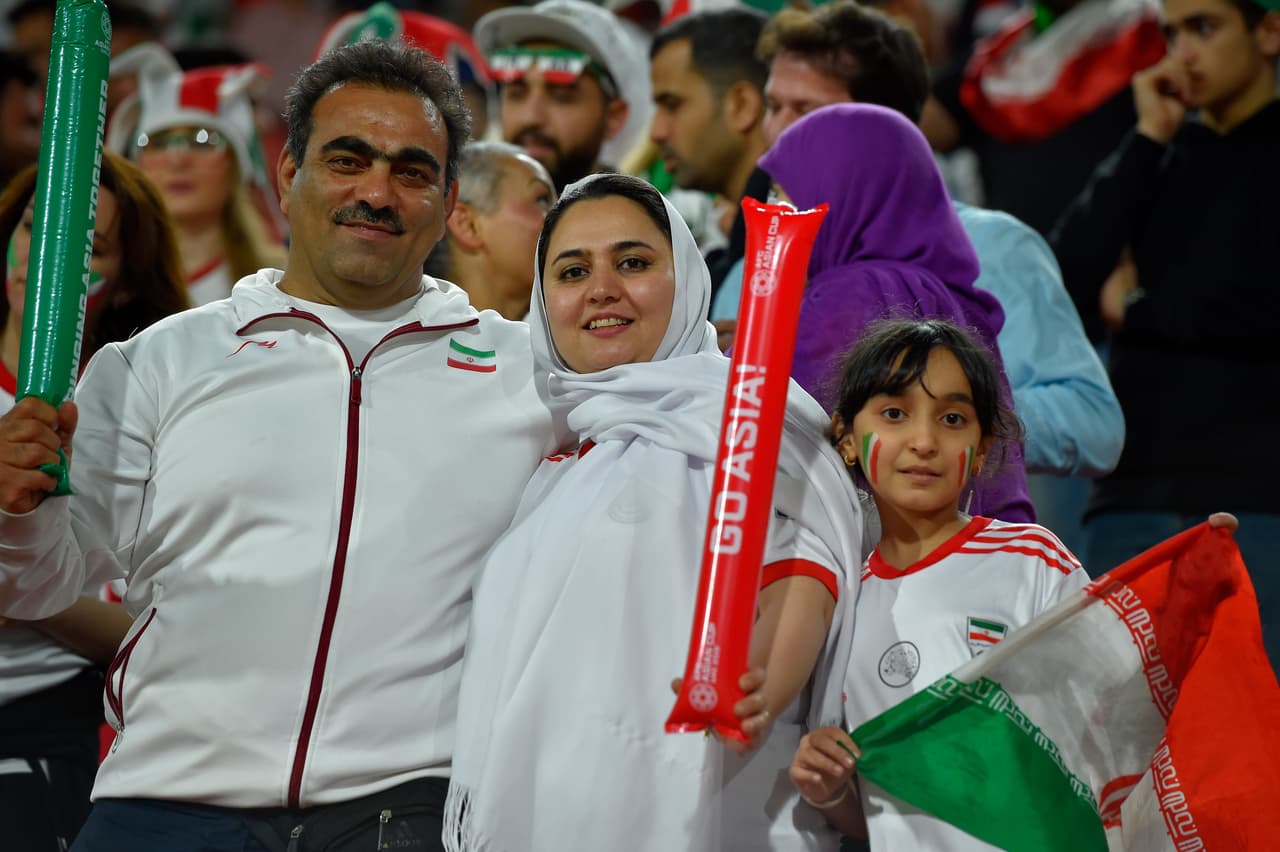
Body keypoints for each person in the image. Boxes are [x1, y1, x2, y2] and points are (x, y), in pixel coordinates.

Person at [0, 39, 557, 851]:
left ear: (446, 201)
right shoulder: (160, 361)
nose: (377, 191)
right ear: (289, 173)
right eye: (348, 159)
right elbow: (44, 578)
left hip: (401, 813)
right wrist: (16, 512)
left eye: (411, 171)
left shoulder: (527, 375)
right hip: (165, 803)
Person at [444, 173, 869, 852]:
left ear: (687, 279)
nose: (602, 288)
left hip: (727, 816)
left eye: (634, 263)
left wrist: (753, 684)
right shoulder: (557, 460)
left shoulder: (751, 419)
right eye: (572, 270)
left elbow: (803, 571)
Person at [790, 318, 1091, 849]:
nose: (925, 441)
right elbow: (880, 818)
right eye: (894, 414)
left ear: (983, 445)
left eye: (953, 418)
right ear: (847, 438)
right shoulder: (840, 602)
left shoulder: (1032, 561)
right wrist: (831, 793)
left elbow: (1105, 730)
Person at [1049, 0, 1280, 667]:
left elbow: (1260, 305)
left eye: (1204, 28)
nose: (1182, 51)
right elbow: (1060, 281)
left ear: (1268, 31)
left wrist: (1141, 309)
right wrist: (1147, 136)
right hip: (1132, 492)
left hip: (1257, 494)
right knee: (1118, 752)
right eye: (1171, 32)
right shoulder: (1157, 151)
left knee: (1249, 749)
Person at [0, 149, 188, 852]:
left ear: (129, 284)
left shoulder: (144, 422)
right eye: (31, 227)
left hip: (52, 747)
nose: (42, 258)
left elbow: (156, 629)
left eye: (87, 248)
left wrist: (17, 581)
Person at [758, 103, 1033, 522]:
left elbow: (768, 434)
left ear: (839, 189)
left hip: (881, 569)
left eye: (782, 193)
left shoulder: (849, 292)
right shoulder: (955, 297)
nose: (775, 211)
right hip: (983, 560)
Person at [107, 54, 287, 305]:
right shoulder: (110, 285)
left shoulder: (283, 283)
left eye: (202, 140)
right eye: (158, 142)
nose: (178, 159)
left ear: (237, 165)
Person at [648, 7, 772, 296]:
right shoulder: (743, 242)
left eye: (672, 104)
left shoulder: (786, 245)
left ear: (742, 106)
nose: (657, 132)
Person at [473, 0, 650, 192]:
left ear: (613, 117)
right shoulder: (458, 212)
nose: (531, 117)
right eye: (517, 93)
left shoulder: (646, 220)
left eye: (561, 96)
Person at [425, 140, 556, 320]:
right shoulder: (411, 346)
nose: (562, 218)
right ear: (468, 225)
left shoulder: (560, 344)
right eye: (541, 200)